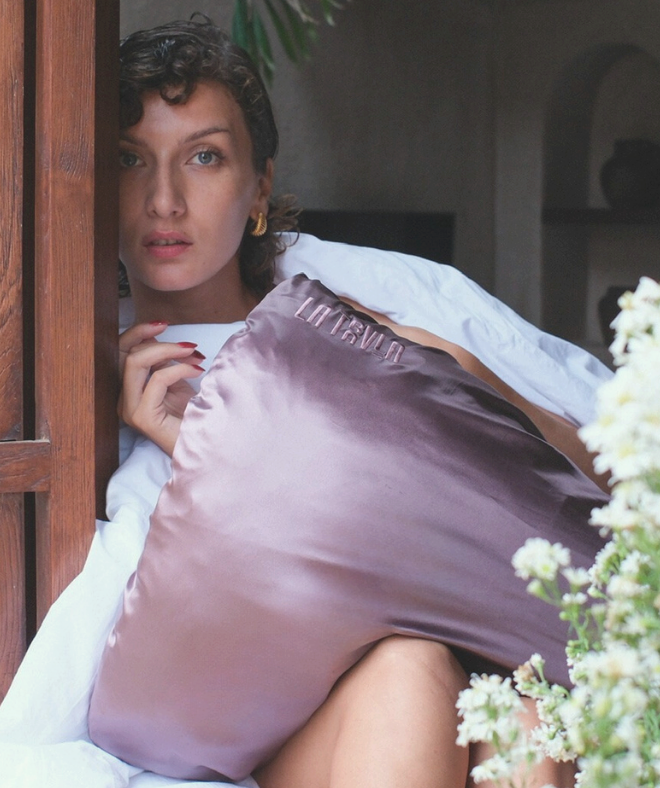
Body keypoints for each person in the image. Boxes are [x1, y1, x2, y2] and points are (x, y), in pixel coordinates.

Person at [0, 17, 608, 788]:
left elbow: (565, 473)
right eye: (130, 160)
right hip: (245, 688)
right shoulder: (65, 359)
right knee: (416, 680)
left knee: (520, 721)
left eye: (204, 157)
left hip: (418, 634)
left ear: (258, 188)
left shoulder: (348, 324)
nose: (164, 200)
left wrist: (456, 380)